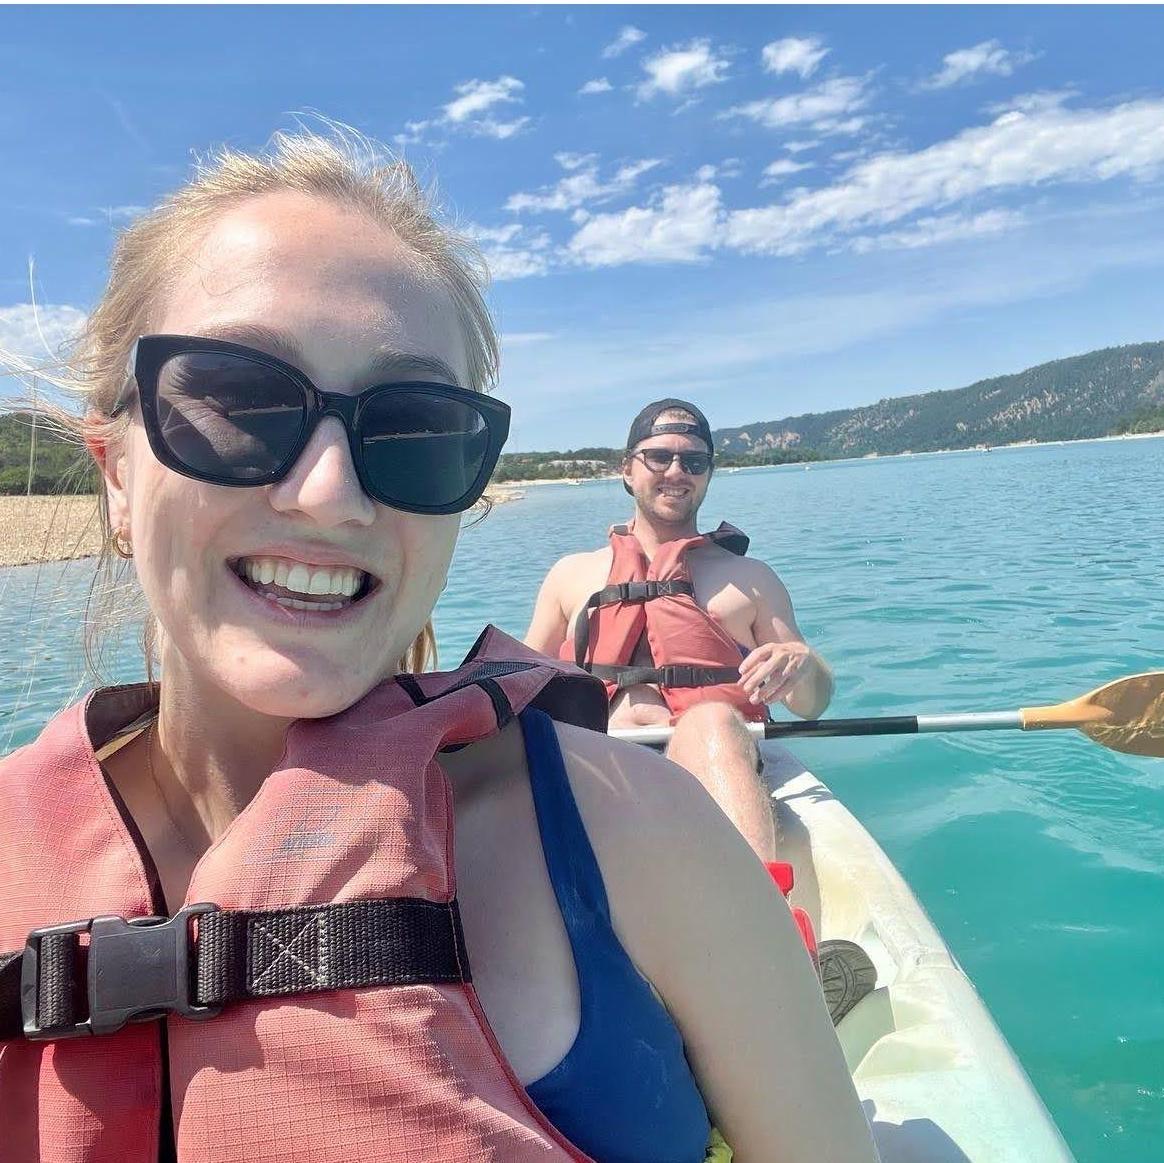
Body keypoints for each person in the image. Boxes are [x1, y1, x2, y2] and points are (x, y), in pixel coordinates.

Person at [0, 130, 880, 1163]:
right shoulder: (574, 580)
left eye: (415, 429)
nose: (329, 494)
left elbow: (798, 678)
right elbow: (556, 676)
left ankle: (784, 938)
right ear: (114, 472)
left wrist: (783, 675)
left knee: (723, 727)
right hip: (628, 727)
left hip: (679, 752)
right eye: (238, 402)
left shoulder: (644, 826)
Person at [525, 398, 834, 866]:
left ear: (708, 475)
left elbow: (811, 705)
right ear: (627, 470)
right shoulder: (570, 576)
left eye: (693, 461)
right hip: (600, 764)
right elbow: (520, 684)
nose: (676, 471)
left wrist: (803, 665)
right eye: (659, 457)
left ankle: (767, 910)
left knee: (710, 719)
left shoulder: (750, 579)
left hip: (713, 768)